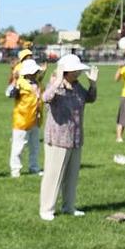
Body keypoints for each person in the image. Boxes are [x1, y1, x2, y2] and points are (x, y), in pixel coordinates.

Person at [38, 54, 99, 221]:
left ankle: (69, 207)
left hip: (75, 138)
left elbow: (90, 98)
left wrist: (93, 84)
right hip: (58, 139)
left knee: (72, 176)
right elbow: (45, 98)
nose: (78, 72)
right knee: (53, 176)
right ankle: (46, 209)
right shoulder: (55, 84)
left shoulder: (77, 86)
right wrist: (58, 81)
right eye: (75, 70)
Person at [6, 57, 46, 177]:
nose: (36, 73)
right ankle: (15, 170)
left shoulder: (38, 84)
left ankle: (34, 167)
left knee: (35, 146)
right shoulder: (20, 83)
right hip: (22, 120)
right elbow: (9, 93)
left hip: (35, 119)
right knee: (18, 147)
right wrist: (14, 81)